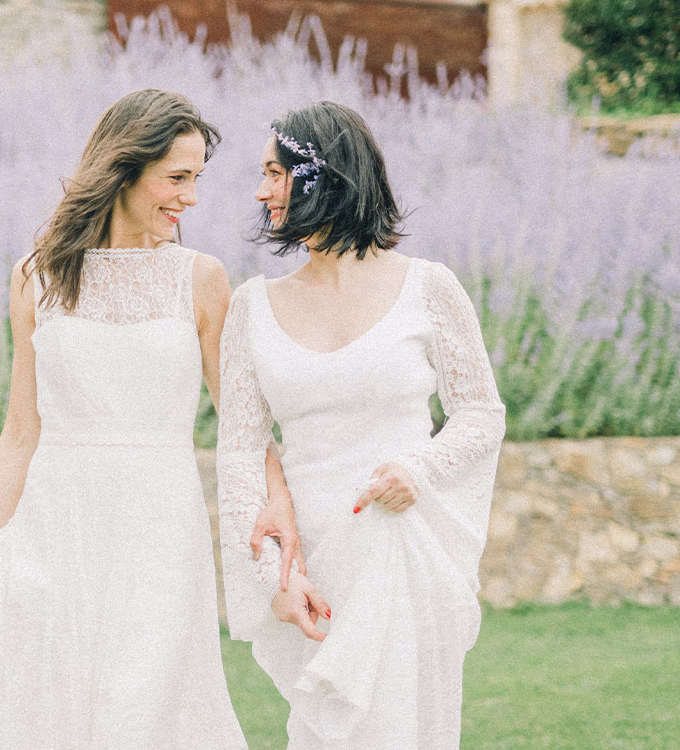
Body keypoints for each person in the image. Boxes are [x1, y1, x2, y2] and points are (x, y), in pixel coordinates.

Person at [0, 89, 251, 749]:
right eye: (178, 178)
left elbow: (242, 424)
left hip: (158, 528)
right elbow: (19, 432)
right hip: (55, 522)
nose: (192, 197)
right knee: (38, 705)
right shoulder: (37, 277)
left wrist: (271, 523)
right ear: (124, 170)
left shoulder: (201, 280)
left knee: (144, 706)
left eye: (197, 179)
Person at [216, 101, 506, 749]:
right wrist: (275, 578)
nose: (261, 189)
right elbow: (239, 452)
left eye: (275, 171)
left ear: (323, 176)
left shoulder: (430, 288)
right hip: (313, 562)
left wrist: (417, 471)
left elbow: (481, 413)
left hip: (404, 547)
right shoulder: (252, 307)